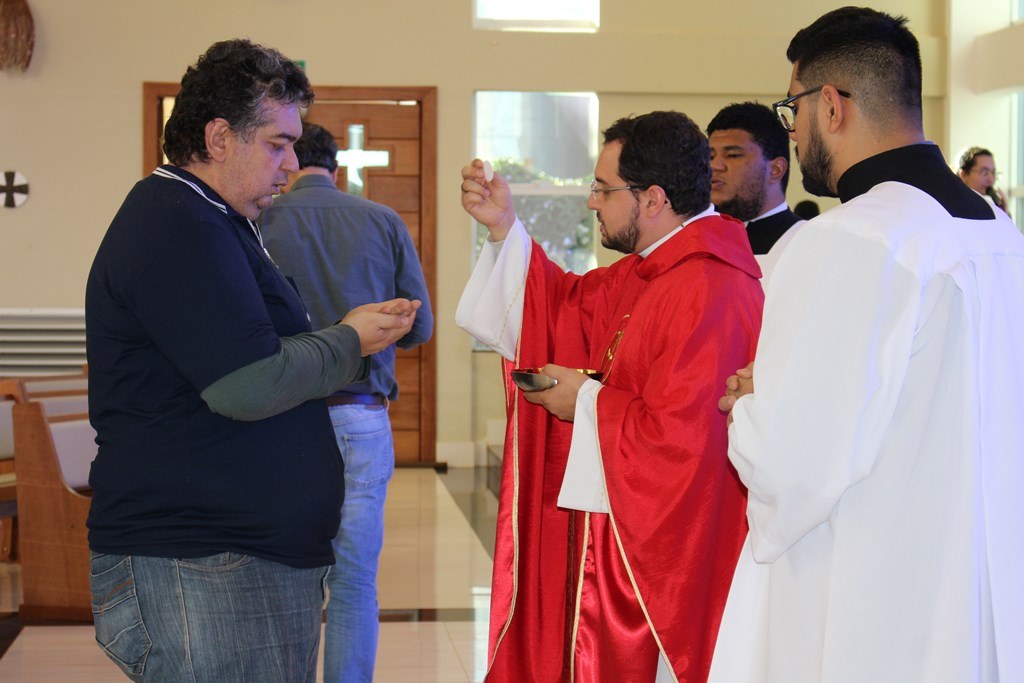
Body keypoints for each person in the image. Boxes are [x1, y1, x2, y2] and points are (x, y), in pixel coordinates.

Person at [85, 39, 420, 683]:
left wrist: (343, 341)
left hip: (231, 555)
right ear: (218, 137)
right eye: (277, 144)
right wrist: (348, 341)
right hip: (204, 559)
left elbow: (249, 356)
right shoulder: (179, 223)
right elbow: (247, 383)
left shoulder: (215, 217)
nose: (291, 163)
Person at [713, 8, 1024, 682]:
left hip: (877, 602)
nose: (793, 131)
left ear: (830, 105)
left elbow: (792, 469)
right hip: (978, 596)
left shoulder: (851, 237)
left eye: (793, 110)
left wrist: (752, 402)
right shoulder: (1002, 233)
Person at [457, 111, 763, 682]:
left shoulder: (708, 285)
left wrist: (586, 402)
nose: (592, 202)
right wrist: (504, 228)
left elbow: (686, 443)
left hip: (664, 568)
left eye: (603, 189)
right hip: (617, 538)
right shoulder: (654, 269)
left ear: (653, 198)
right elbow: (563, 304)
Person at [259, 121, 434, 683]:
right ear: (336, 169)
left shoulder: (259, 219)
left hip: (281, 417)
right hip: (360, 416)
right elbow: (420, 327)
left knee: (285, 579)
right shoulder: (381, 219)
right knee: (355, 581)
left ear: (288, 162)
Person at [707, 102, 803, 276]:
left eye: (733, 155)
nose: (715, 166)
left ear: (775, 169)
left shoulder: (806, 243)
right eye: (710, 156)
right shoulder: (699, 242)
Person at [958, 145, 1010, 215]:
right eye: (985, 173)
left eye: (993, 173)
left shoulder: (996, 208)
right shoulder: (953, 208)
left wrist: (1003, 215)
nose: (991, 180)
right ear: (964, 175)